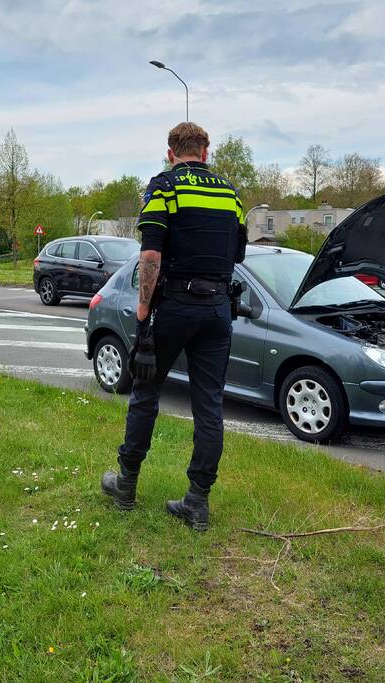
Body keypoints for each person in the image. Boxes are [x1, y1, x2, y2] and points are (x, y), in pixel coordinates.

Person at [101, 121, 247, 532]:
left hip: (176, 307)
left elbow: (151, 256)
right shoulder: (230, 194)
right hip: (218, 310)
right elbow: (237, 253)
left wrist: (143, 313)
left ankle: (125, 486)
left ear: (170, 153)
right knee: (209, 406)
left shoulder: (164, 186)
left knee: (146, 390)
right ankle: (196, 503)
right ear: (205, 153)